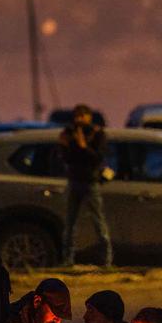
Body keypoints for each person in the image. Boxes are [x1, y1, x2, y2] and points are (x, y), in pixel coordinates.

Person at [58, 104, 112, 267]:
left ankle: (106, 260)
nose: (79, 119)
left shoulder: (97, 134)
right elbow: (65, 157)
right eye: (77, 116)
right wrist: (69, 144)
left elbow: (98, 157)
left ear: (89, 117)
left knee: (98, 222)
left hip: (90, 181)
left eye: (83, 115)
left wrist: (83, 146)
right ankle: (67, 260)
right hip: (75, 180)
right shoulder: (69, 134)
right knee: (70, 224)